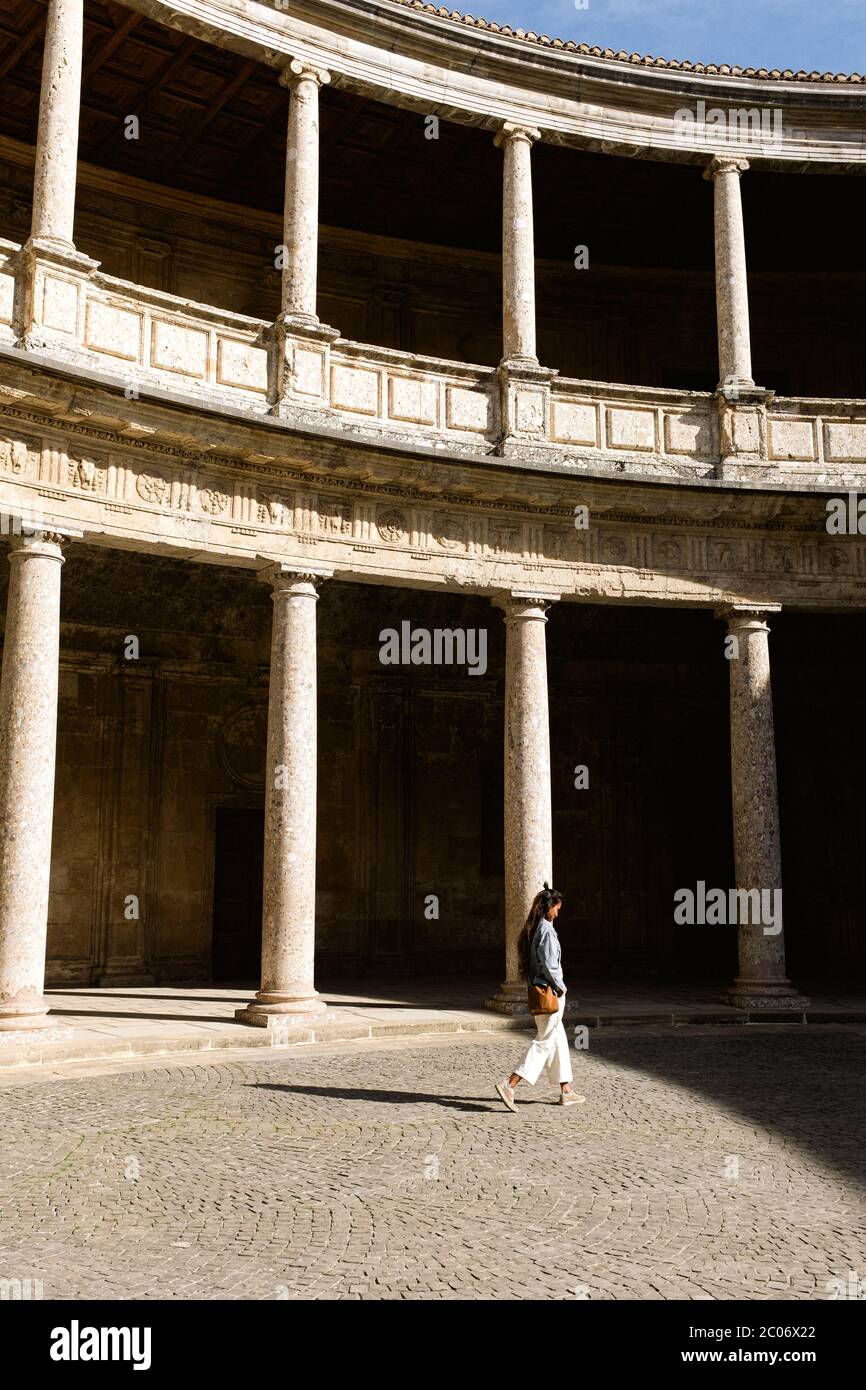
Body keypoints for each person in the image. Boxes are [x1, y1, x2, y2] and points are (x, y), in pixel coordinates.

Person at [495, 884, 585, 1111]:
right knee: (544, 1042)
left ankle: (567, 1090)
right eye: (557, 908)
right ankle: (510, 1083)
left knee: (558, 1040)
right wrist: (561, 987)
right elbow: (549, 965)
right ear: (549, 907)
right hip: (550, 994)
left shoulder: (536, 929)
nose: (558, 912)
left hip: (541, 992)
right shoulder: (546, 930)